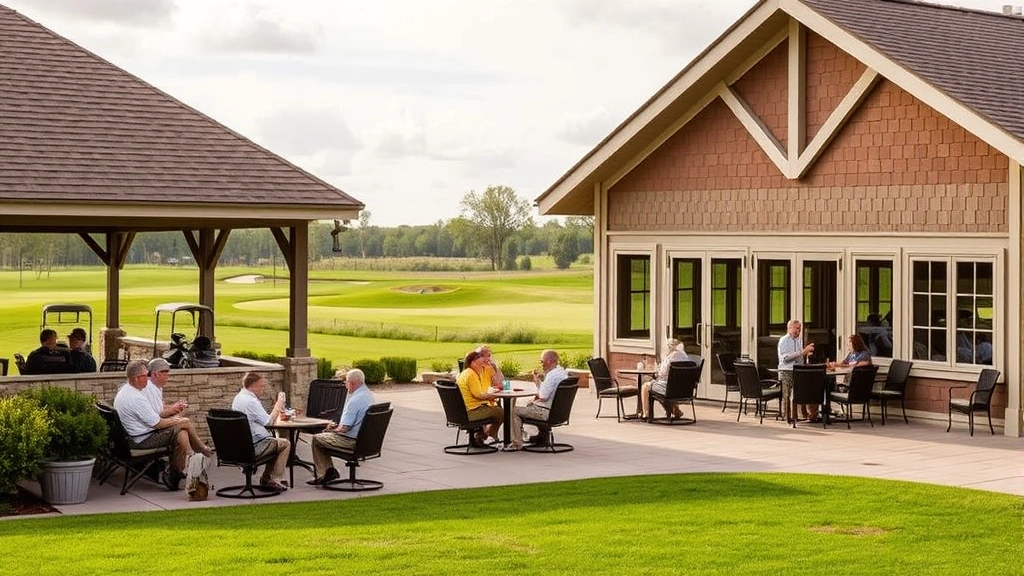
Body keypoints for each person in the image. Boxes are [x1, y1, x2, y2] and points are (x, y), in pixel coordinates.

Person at [113, 360, 212, 490]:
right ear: (136, 378)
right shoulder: (135, 398)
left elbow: (154, 416)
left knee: (182, 431)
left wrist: (176, 418)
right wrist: (178, 420)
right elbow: (157, 424)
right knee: (184, 425)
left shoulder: (126, 390)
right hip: (141, 440)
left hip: (132, 437)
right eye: (145, 375)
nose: (148, 379)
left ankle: (188, 462)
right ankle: (192, 458)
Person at [308, 369, 375, 486]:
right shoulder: (368, 396)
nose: (345, 386)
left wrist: (329, 430)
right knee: (323, 437)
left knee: (317, 438)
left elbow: (344, 428)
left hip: (352, 442)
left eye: (346, 382)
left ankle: (324, 474)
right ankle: (329, 472)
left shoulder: (354, 400)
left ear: (353, 383)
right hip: (367, 442)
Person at [230, 372, 290, 491]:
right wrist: (278, 406)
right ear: (252, 385)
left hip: (239, 448)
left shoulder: (238, 398)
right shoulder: (251, 402)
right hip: (252, 448)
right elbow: (269, 422)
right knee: (285, 444)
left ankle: (267, 478)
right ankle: (273, 479)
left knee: (274, 443)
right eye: (261, 386)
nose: (263, 389)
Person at [509, 349, 569, 450]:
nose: (541, 364)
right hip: (559, 412)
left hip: (546, 413)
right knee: (529, 404)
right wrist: (538, 382)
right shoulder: (562, 373)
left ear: (549, 361)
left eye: (542, 361)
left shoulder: (551, 375)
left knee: (513, 410)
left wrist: (538, 387)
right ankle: (542, 436)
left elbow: (543, 396)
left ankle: (517, 442)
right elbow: (546, 391)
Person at [456, 349, 504, 444]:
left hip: (462, 412)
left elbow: (479, 392)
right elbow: (478, 395)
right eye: (481, 358)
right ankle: (488, 435)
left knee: (496, 409)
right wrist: (491, 395)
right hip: (471, 412)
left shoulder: (467, 373)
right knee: (500, 412)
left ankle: (482, 436)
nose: (484, 360)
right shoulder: (471, 375)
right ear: (473, 362)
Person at [639, 339, 691, 420]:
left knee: (646, 387)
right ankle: (676, 411)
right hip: (685, 389)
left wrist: (656, 374)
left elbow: (661, 374)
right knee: (660, 389)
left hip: (669, 389)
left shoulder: (670, 357)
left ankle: (645, 414)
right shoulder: (685, 357)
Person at [778, 319, 816, 423]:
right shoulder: (784, 340)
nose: (798, 331)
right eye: (796, 329)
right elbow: (785, 358)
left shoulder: (798, 340)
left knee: (803, 390)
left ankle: (803, 414)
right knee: (787, 393)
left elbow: (799, 355)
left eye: (799, 329)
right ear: (789, 328)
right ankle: (787, 416)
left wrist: (806, 354)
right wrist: (802, 352)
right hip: (787, 370)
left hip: (799, 369)